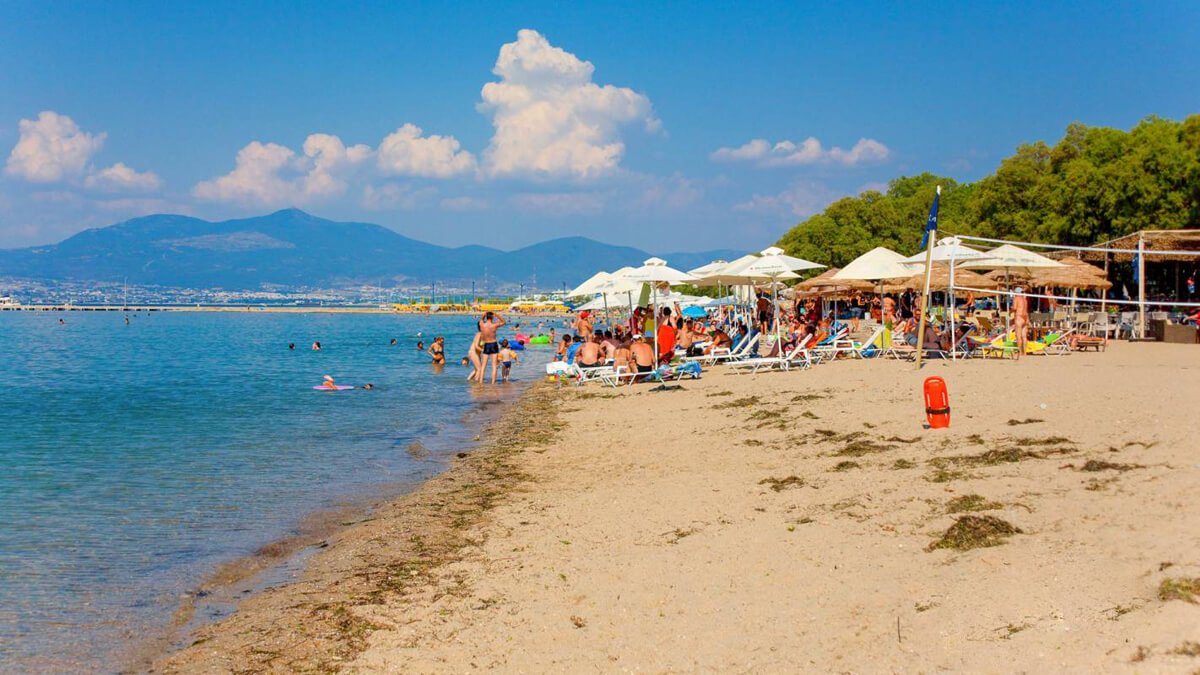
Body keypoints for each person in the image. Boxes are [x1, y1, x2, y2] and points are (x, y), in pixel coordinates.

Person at [478, 311, 507, 384]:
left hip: (486, 345)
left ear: (486, 317)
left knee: (483, 366)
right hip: (493, 344)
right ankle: (493, 383)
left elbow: (481, 318)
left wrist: (484, 315)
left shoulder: (481, 324)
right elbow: (504, 322)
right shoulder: (494, 325)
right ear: (492, 317)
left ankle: (480, 383)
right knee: (494, 366)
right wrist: (497, 315)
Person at [1012, 287, 1029, 359]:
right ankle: (1024, 353)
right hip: (1025, 318)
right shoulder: (1025, 300)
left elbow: (1015, 308)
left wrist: (1011, 309)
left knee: (1018, 336)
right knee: (1024, 336)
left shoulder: (1016, 298)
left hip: (1019, 317)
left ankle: (1019, 352)